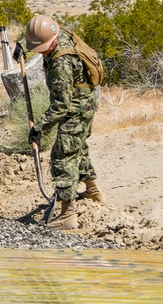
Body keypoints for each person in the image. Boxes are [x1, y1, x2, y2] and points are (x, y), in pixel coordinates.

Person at [25, 14, 104, 231]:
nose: (40, 52)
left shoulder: (62, 62)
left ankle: (67, 215)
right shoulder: (59, 36)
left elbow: (61, 105)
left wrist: (39, 127)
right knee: (77, 147)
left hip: (77, 108)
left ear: (53, 40)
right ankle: (92, 191)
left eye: (42, 48)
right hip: (83, 103)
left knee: (63, 156)